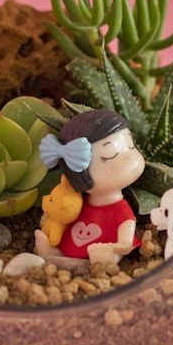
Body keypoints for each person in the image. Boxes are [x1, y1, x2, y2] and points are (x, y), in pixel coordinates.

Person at [34, 109, 145, 267]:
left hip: (108, 243)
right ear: (80, 172)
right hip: (80, 236)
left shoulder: (119, 208)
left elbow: (127, 223)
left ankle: (105, 260)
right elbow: (66, 217)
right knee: (68, 245)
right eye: (110, 155)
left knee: (107, 254)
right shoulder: (80, 203)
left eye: (131, 146)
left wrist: (124, 243)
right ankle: (56, 254)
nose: (130, 157)